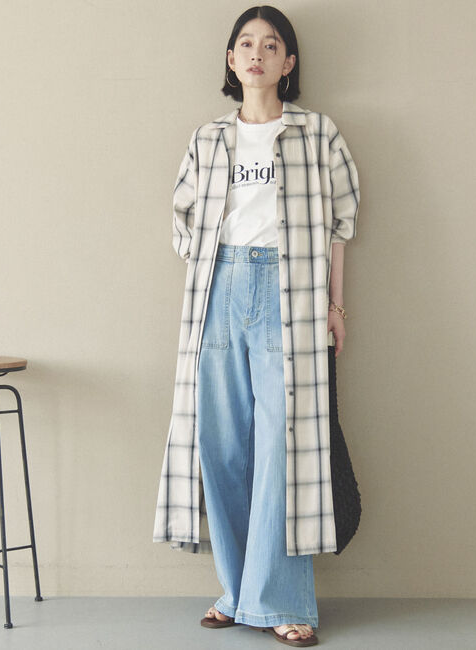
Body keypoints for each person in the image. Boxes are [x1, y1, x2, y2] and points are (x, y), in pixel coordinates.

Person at [153, 5, 359, 647]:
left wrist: (336, 307)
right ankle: (237, 593)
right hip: (219, 288)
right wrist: (208, 258)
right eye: (246, 43)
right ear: (231, 59)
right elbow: (182, 217)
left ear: (288, 62)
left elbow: (340, 228)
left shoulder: (318, 133)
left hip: (288, 289)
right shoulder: (209, 138)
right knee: (221, 444)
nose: (257, 54)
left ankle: (285, 601)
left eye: (271, 45)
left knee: (283, 446)